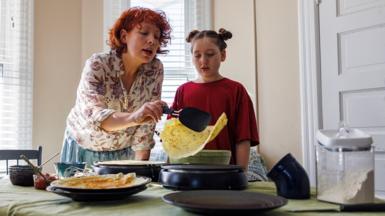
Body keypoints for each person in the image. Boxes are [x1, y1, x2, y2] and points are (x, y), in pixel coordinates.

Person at [60, 7, 172, 165]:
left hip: (124, 154)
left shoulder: (155, 69)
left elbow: (146, 128)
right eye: (144, 33)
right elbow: (96, 117)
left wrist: (141, 172)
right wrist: (135, 117)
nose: (152, 41)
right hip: (84, 149)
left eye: (157, 36)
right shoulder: (98, 64)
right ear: (124, 36)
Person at [171, 28, 259, 170]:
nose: (203, 61)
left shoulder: (236, 90)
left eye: (210, 54)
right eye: (197, 55)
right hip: (188, 171)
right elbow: (173, 139)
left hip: (224, 173)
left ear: (223, 55)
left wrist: (240, 175)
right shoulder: (183, 91)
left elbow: (243, 139)